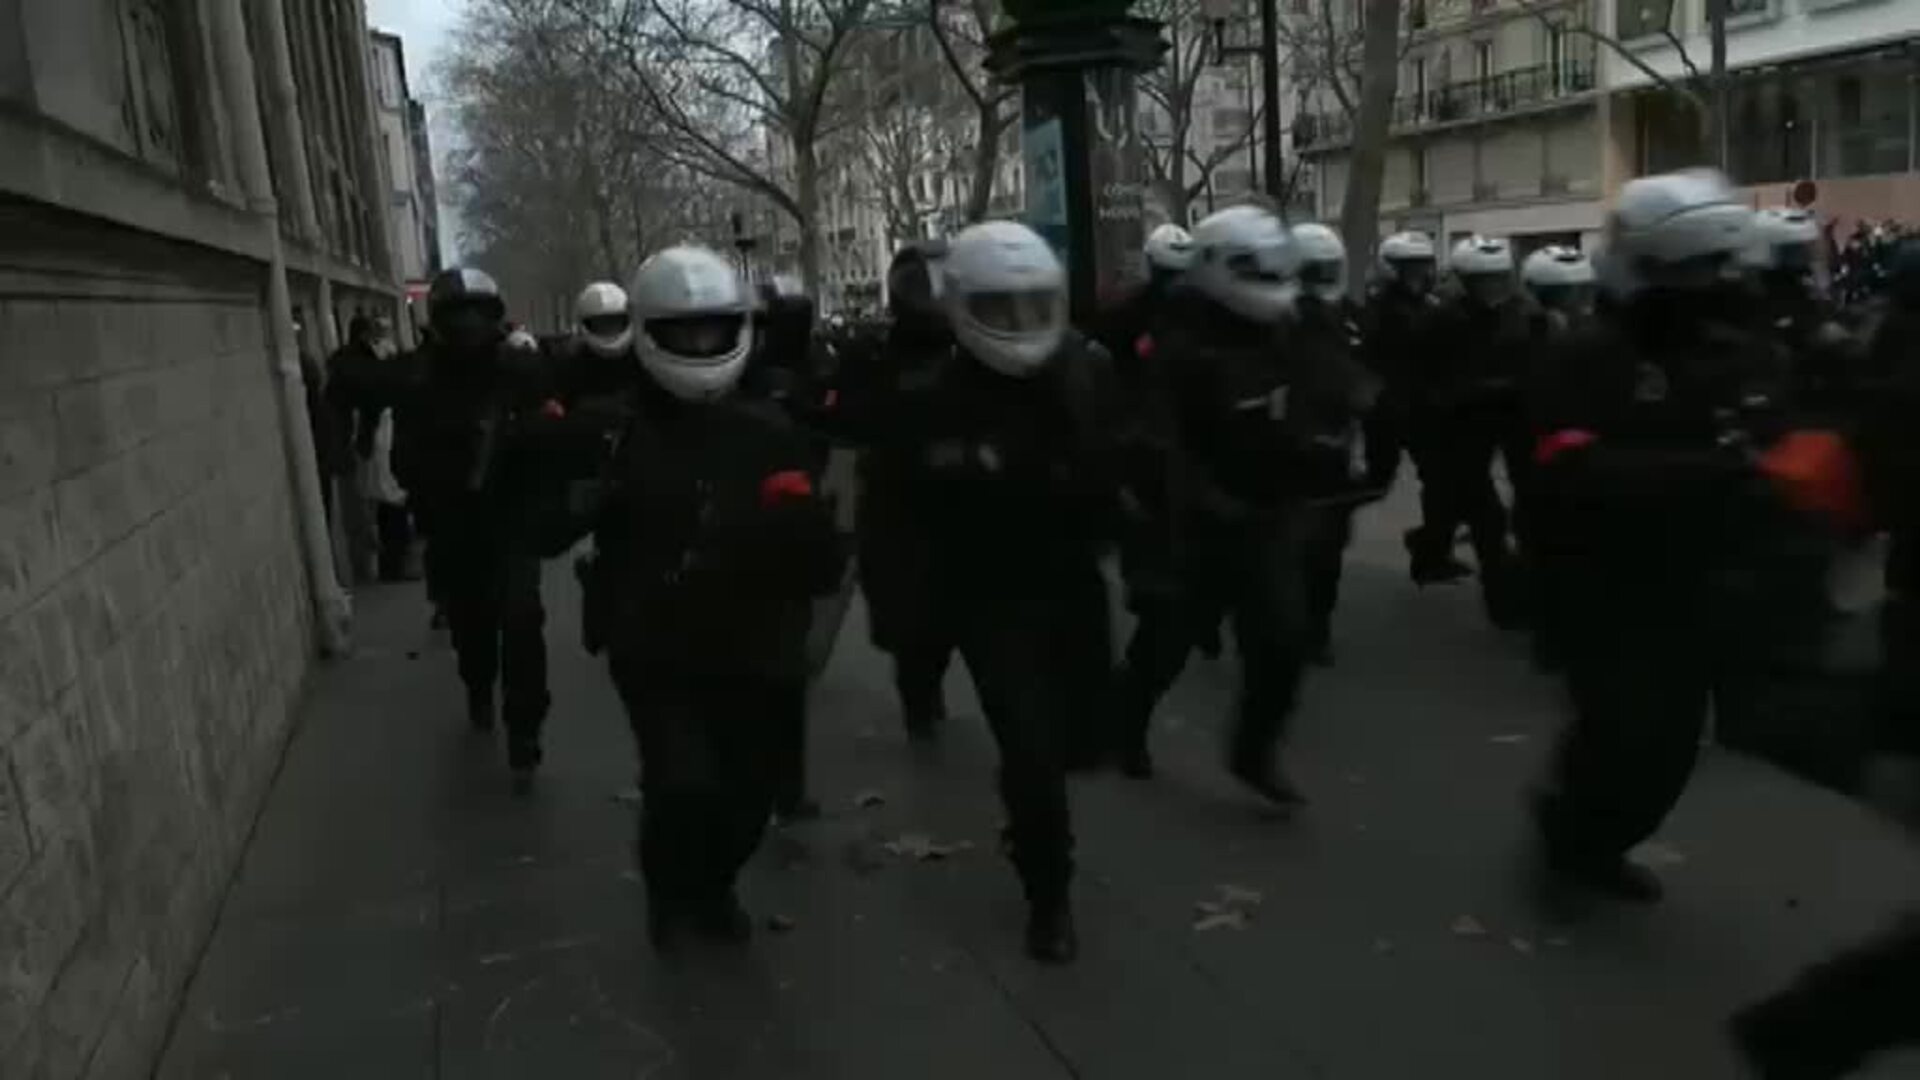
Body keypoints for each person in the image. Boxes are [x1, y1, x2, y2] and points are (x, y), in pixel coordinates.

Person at [531, 245, 840, 949]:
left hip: (753, 636)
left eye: (712, 331)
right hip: (655, 637)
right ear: (648, 335)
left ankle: (714, 883)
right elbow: (542, 527)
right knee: (679, 780)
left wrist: (797, 525)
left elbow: (819, 552)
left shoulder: (770, 429)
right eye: (683, 334)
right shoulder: (611, 431)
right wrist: (583, 496)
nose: (700, 347)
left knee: (750, 792)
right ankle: (675, 894)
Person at [849, 220, 1121, 962]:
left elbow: (1133, 466)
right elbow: (887, 517)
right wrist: (901, 611)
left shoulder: (1086, 375)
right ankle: (1049, 893)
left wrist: (1149, 540)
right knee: (1030, 752)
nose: (1021, 325)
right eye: (1001, 310)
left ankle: (1039, 829)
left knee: (1085, 741)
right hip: (987, 597)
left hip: (1072, 584)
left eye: (1034, 306)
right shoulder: (925, 401)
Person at [1526, 168, 1791, 900]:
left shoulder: (1740, 352)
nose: (1720, 284)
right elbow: (1568, 470)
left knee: (1671, 746)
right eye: (1701, 270)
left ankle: (1600, 837)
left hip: (1696, 580)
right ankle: (1571, 834)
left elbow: (1772, 439)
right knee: (1618, 727)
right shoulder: (1586, 355)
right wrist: (1710, 469)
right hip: (1600, 581)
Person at [1111, 204, 1335, 801]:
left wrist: (1329, 440)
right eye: (1252, 271)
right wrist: (1197, 497)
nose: (1268, 286)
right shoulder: (1175, 340)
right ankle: (1125, 726)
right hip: (1193, 525)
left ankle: (1253, 751)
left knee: (1284, 641)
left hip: (1266, 514)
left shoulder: (1287, 328)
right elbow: (1160, 437)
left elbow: (1322, 389)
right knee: (1165, 645)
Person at [392, 267, 553, 792]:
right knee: (473, 628)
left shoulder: (520, 371)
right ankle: (479, 687)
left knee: (523, 621)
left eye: (476, 316)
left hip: (511, 520)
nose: (468, 328)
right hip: (455, 526)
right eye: (457, 317)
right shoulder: (420, 381)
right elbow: (403, 462)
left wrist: (522, 442)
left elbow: (553, 429)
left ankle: (525, 732)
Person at [840, 240, 960, 741]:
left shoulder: (972, 352)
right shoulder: (875, 356)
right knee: (911, 622)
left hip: (953, 506)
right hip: (898, 506)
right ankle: (919, 697)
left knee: (942, 620)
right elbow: (854, 420)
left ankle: (924, 689)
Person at [1424, 235, 1533, 628]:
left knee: (1530, 501)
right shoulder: (1444, 320)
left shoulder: (1522, 314)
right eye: (1482, 280)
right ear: (1465, 281)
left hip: (1513, 420)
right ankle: (1502, 602)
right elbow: (1433, 381)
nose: (1492, 288)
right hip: (1463, 424)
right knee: (1485, 515)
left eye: (1498, 278)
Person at [1288, 222, 1380, 666]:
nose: (1319, 281)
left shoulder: (1353, 318)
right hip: (1291, 448)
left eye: (1325, 271)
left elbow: (1374, 373)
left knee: (1328, 551)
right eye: (1311, 272)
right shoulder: (1278, 319)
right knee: (1297, 546)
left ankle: (1316, 625)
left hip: (1338, 447)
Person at [1362, 231, 1467, 583]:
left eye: (1424, 266)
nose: (1420, 275)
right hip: (1388, 409)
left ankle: (1431, 552)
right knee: (1376, 480)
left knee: (1442, 480)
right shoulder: (1378, 309)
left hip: (1424, 409)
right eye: (1411, 268)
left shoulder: (1431, 306)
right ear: (1392, 270)